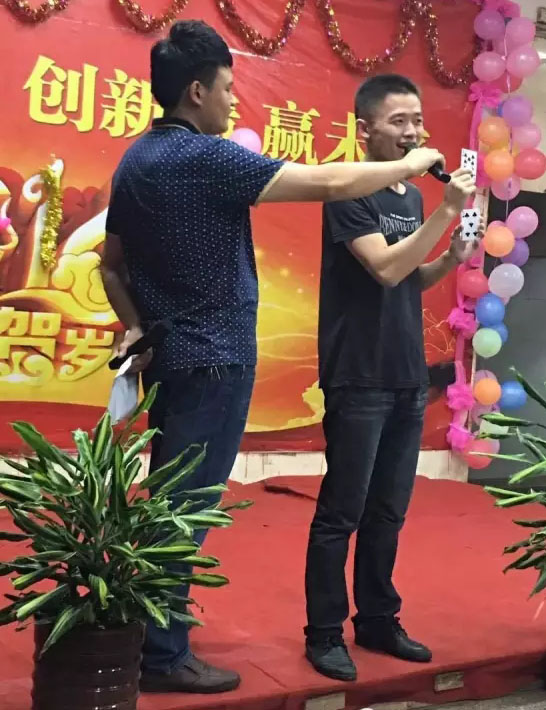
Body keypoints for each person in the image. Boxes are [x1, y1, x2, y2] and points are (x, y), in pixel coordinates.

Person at [100, 20, 445, 694]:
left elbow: (111, 264)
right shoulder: (207, 157)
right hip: (216, 361)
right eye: (229, 89)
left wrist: (136, 327)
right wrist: (410, 167)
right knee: (186, 510)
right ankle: (163, 655)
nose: (234, 102)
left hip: (173, 358)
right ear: (196, 91)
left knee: (172, 502)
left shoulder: (135, 160)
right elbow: (325, 182)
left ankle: (158, 637)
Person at [304, 74, 480, 682]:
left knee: (388, 512)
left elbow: (409, 278)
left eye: (417, 120)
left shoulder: (410, 196)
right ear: (366, 129)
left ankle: (378, 619)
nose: (413, 132)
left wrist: (450, 258)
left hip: (406, 375)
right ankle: (324, 633)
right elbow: (382, 267)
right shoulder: (348, 188)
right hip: (358, 374)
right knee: (342, 513)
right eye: (398, 121)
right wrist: (448, 212)